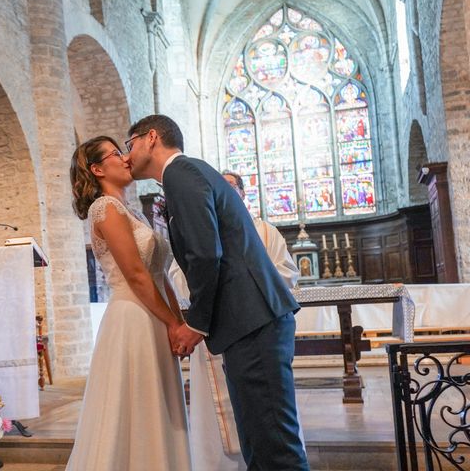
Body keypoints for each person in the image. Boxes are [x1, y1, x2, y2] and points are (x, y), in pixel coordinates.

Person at [126, 115, 309, 470]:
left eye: (129, 143)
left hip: (253, 322)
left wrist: (195, 324)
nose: (126, 154)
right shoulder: (187, 175)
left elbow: (206, 254)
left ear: (151, 138)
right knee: (258, 442)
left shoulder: (181, 174)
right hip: (249, 323)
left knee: (276, 447)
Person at [67, 136, 191, 470]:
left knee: (157, 405)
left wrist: (180, 323)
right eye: (116, 153)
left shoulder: (132, 211)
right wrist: (172, 323)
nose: (125, 158)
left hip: (154, 313)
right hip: (132, 316)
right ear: (97, 169)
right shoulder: (104, 209)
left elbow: (160, 274)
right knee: (136, 405)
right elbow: (136, 274)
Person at [169, 170, 303, 471]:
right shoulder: (198, 230)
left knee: (270, 425)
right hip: (214, 329)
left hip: (257, 326)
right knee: (242, 424)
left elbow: (284, 274)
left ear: (242, 194)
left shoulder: (265, 231)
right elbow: (178, 277)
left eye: (231, 188)